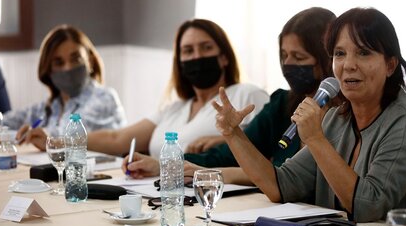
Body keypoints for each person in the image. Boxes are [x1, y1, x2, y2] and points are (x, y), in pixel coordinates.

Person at [212, 7, 406, 222]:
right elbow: (280, 186)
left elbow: (368, 207)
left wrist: (315, 139)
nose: (349, 65)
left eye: (363, 53)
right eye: (340, 54)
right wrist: (233, 134)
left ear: (390, 65)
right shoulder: (337, 118)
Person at [122, 7, 338, 181]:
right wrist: (167, 164)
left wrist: (190, 170)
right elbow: (230, 156)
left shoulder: (344, 112)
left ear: (327, 59)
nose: (288, 64)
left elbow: (282, 177)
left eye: (299, 58)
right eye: (284, 56)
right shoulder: (282, 102)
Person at [76, 19, 268, 158]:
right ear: (180, 63)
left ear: (224, 57)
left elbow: (270, 145)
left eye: (206, 47)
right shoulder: (174, 109)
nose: (197, 56)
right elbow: (116, 138)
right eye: (188, 51)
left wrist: (227, 140)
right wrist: (60, 141)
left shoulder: (247, 94)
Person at [11, 24, 126, 150]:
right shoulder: (51, 106)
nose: (68, 68)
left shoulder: (105, 98)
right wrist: (13, 135)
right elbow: (3, 122)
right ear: (48, 72)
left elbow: (72, 134)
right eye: (59, 63)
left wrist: (46, 139)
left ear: (90, 61)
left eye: (76, 59)